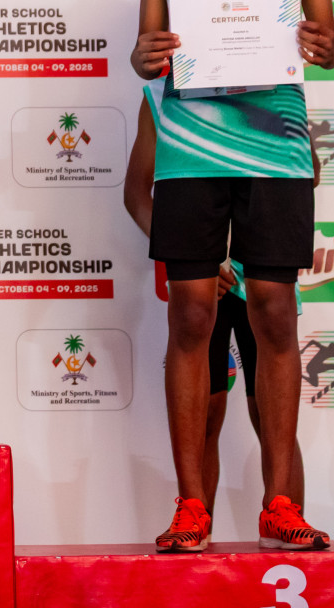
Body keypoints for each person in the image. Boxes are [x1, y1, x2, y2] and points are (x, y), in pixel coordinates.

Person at [130, 0, 334, 552]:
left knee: (276, 311)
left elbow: (327, 36)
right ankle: (192, 505)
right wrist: (144, 54)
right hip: (191, 145)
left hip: (275, 145)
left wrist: (328, 45)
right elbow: (149, 45)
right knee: (190, 312)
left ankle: (280, 502)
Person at [123, 87, 308, 529]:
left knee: (269, 416)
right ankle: (195, 521)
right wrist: (198, 255)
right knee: (208, 412)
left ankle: (285, 517)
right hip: (210, 282)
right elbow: (137, 194)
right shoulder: (159, 94)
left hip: (257, 274)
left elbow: (306, 168)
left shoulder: (275, 84)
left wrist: (259, 139)